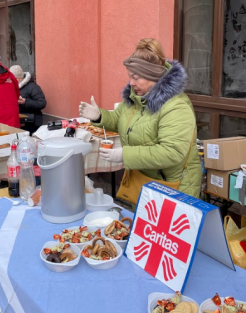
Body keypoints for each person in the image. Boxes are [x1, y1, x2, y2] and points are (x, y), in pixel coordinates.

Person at [79, 38, 202, 198]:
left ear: (152, 76)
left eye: (136, 78)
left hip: (174, 190)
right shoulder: (136, 99)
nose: (131, 83)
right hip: (146, 183)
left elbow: (172, 152)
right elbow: (118, 119)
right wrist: (99, 115)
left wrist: (125, 155)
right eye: (130, 77)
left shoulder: (176, 106)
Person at [9, 65, 47, 135]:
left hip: (32, 122)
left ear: (19, 78)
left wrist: (25, 102)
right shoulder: (10, 87)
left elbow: (42, 103)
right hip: (18, 121)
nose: (10, 81)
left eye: (12, 79)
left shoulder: (33, 87)